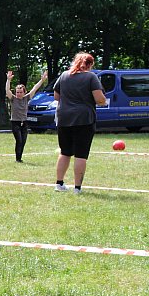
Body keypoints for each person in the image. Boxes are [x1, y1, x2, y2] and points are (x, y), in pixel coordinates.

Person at [53, 52, 107, 193]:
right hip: (83, 119)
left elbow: (56, 96)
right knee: (81, 154)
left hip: (63, 118)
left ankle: (59, 184)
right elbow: (100, 99)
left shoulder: (64, 75)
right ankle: (77, 188)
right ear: (89, 65)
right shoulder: (91, 77)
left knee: (65, 152)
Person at [6, 69, 48, 162]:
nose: (18, 94)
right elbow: (7, 90)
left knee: (23, 141)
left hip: (24, 122)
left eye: (20, 92)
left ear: (24, 92)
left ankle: (20, 158)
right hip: (15, 122)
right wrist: (8, 80)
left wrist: (42, 80)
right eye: (17, 92)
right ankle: (17, 159)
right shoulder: (13, 99)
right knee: (19, 140)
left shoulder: (26, 98)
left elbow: (34, 88)